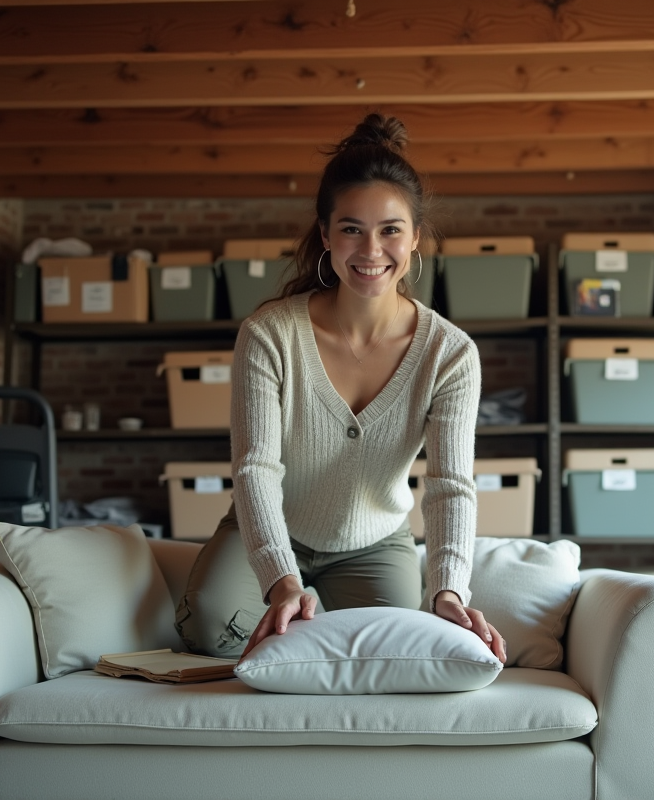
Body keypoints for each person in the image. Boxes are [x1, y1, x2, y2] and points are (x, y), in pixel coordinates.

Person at [175, 113, 505, 664]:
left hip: (373, 545)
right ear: (325, 235)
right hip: (267, 530)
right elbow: (256, 468)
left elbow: (450, 486)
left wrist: (448, 590)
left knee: (393, 653)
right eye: (351, 228)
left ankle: (317, 622)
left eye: (390, 230)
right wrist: (280, 580)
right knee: (212, 631)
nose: (371, 249)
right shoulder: (269, 334)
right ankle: (301, 609)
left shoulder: (450, 353)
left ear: (416, 237)